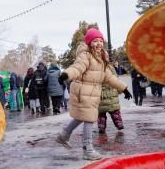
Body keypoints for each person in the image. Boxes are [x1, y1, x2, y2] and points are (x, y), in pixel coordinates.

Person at [55, 28, 132, 160]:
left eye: (101, 41)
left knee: (81, 117)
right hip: (83, 91)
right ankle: (88, 149)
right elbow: (77, 67)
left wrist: (123, 88)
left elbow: (109, 77)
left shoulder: (100, 58)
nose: (99, 44)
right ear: (89, 42)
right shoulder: (86, 55)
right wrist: (66, 74)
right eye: (95, 41)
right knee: (90, 118)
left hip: (90, 92)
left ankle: (64, 135)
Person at [97, 54, 125, 136]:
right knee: (115, 111)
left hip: (100, 94)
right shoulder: (110, 67)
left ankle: (101, 127)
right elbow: (115, 80)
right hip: (111, 93)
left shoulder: (95, 68)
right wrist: (120, 90)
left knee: (101, 114)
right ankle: (119, 124)